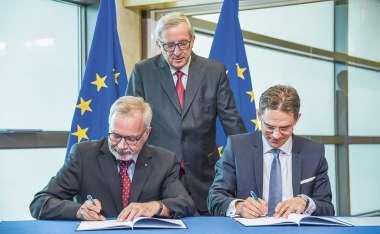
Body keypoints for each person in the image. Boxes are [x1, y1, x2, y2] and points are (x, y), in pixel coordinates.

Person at [126, 12, 246, 214]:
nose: (177, 51)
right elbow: (130, 121)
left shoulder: (214, 71)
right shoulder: (143, 72)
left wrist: (246, 166)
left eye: (183, 44)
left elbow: (232, 123)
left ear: (193, 40)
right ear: (158, 44)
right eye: (169, 45)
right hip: (157, 176)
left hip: (204, 176)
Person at [30, 96, 195, 220]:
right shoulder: (83, 155)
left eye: (131, 139)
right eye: (115, 136)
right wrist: (78, 210)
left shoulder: (164, 160)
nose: (121, 146)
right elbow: (40, 203)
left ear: (146, 134)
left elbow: (185, 203)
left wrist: (155, 207)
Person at [208, 85, 335, 218]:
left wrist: (306, 203)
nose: (276, 135)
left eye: (284, 128)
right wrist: (239, 206)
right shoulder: (237, 147)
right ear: (259, 115)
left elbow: (327, 208)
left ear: (297, 119)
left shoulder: (314, 152)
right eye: (269, 127)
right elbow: (215, 198)